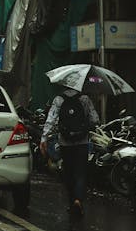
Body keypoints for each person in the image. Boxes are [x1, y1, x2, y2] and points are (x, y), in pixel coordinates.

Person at [39, 87, 99, 216]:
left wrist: (44, 138)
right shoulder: (85, 99)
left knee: (69, 173)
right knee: (80, 173)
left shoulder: (59, 99)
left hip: (65, 142)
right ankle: (78, 200)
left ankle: (72, 202)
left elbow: (51, 120)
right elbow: (95, 119)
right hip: (82, 142)